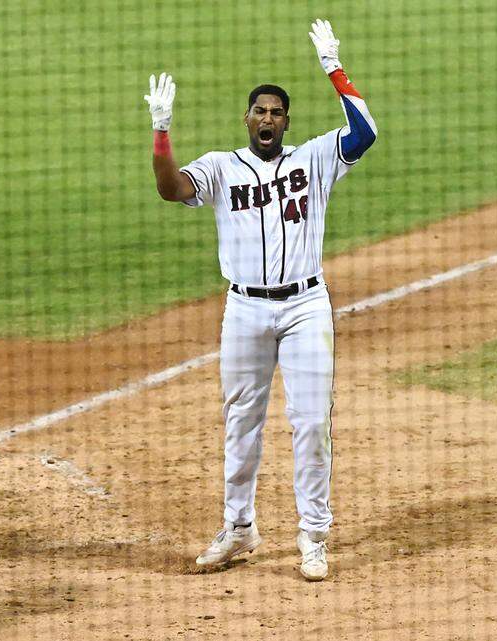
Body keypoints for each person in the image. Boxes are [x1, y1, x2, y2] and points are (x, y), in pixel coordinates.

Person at [145, 19, 376, 581]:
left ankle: (313, 536)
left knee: (311, 421)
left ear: (286, 122)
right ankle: (239, 528)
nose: (267, 119)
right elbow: (171, 189)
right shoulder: (222, 167)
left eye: (276, 112)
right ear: (246, 120)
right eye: (259, 111)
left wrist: (333, 67)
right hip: (245, 309)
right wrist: (161, 130)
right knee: (240, 421)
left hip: (305, 308)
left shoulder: (315, 159)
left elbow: (365, 132)